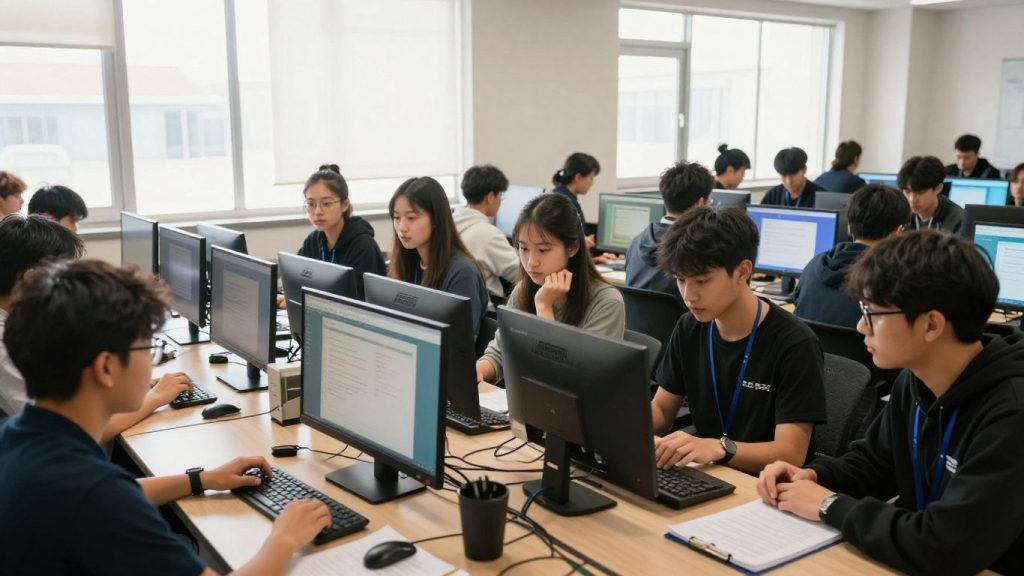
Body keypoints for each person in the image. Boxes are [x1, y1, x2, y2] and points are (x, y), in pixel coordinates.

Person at [0, 258, 332, 575]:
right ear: (106, 368)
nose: (152, 360)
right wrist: (284, 539)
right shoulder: (94, 495)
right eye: (148, 348)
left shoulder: (18, 435)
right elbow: (103, 500)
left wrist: (201, 479)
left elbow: (114, 495)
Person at [756, 230, 1024, 575]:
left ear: (931, 325)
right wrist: (813, 476)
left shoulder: (1011, 411)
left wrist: (828, 505)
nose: (860, 326)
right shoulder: (915, 378)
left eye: (872, 313)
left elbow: (947, 544)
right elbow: (875, 464)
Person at [649, 207, 826, 475]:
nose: (688, 295)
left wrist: (721, 448)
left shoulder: (794, 343)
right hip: (707, 471)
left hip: (765, 485)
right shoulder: (689, 327)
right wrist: (618, 418)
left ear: (742, 272)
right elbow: (662, 411)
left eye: (701, 281)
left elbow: (791, 453)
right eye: (680, 280)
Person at [0, 214, 193, 437]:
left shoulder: (20, 321)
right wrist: (155, 398)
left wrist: (123, 385)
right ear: (32, 278)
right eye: (65, 275)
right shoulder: (4, 347)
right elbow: (65, 432)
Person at [476, 193, 624, 384]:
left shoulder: (607, 302)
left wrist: (544, 308)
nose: (531, 262)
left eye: (543, 250)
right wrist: (475, 371)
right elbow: (499, 354)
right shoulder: (523, 290)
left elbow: (568, 381)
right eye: (523, 248)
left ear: (572, 248)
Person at [793, 184, 908, 329]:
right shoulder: (895, 280)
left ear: (849, 227)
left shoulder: (812, 265)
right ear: (898, 232)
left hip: (810, 345)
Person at [389, 177, 488, 335]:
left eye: (411, 218)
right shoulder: (408, 262)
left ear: (436, 219)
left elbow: (459, 341)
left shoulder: (462, 272)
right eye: (396, 217)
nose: (402, 227)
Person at [293, 164, 385, 300]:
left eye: (326, 203)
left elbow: (361, 300)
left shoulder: (363, 246)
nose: (318, 212)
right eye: (311, 204)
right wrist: (291, 296)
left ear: (344, 205)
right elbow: (295, 279)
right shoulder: (313, 241)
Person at [625, 161, 714, 297]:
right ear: (700, 204)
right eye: (709, 201)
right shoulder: (699, 246)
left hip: (633, 312)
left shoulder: (637, 241)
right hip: (683, 312)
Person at [452, 164, 518, 301]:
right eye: (500, 195)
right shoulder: (489, 235)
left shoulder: (451, 222)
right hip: (489, 307)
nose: (501, 201)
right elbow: (520, 273)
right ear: (490, 197)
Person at [899, 155, 962, 234]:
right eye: (907, 192)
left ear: (938, 188)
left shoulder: (958, 220)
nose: (912, 199)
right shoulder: (900, 216)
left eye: (920, 192)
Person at [760, 147, 825, 208]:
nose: (789, 181)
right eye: (784, 175)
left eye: (793, 174)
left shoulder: (822, 197)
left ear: (804, 170)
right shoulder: (773, 195)